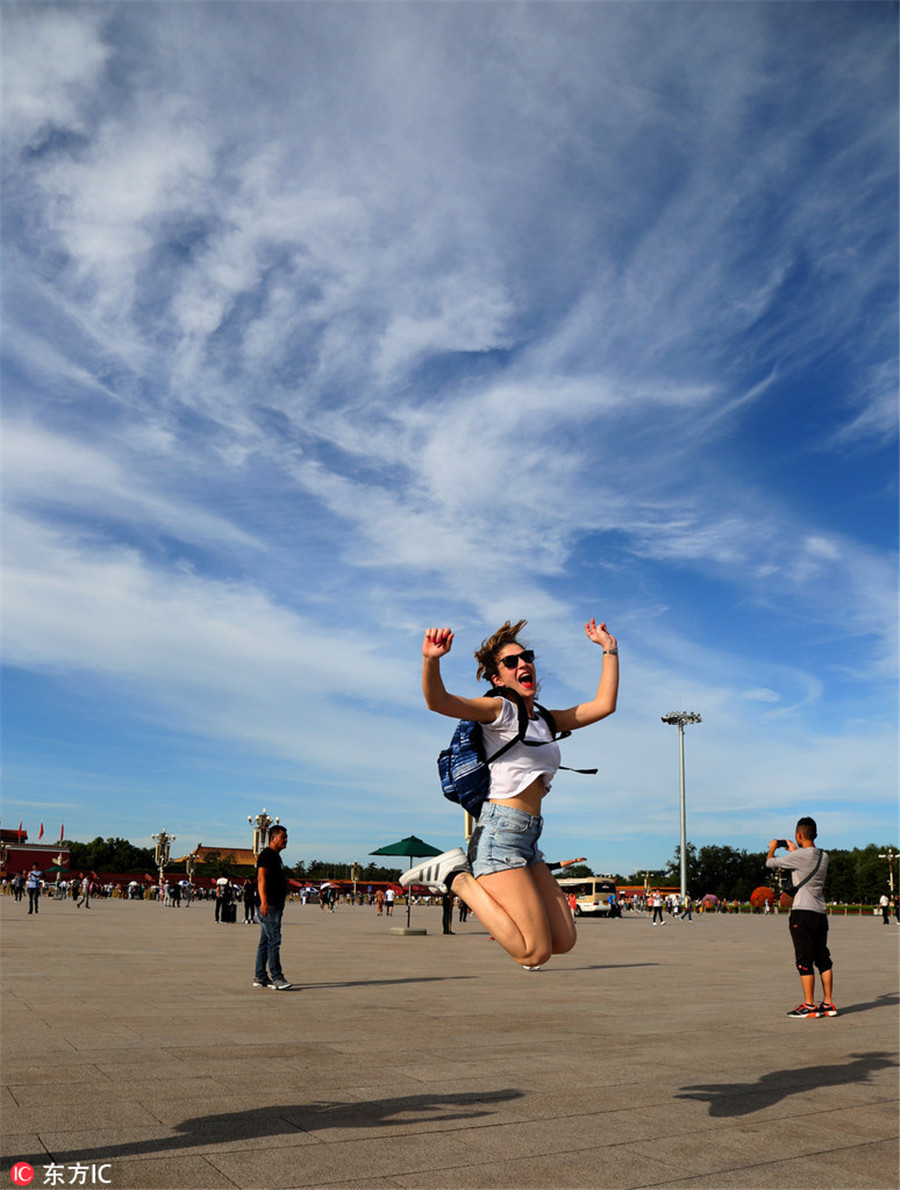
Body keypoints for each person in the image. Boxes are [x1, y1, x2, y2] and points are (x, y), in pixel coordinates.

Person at [401, 617, 618, 969]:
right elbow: (438, 701)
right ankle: (457, 879)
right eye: (511, 661)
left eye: (526, 656)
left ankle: (460, 876)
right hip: (500, 835)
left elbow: (604, 705)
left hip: (529, 838)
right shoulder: (500, 709)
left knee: (563, 941)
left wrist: (609, 649)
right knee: (533, 953)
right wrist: (431, 660)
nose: (523, 663)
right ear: (497, 678)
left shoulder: (545, 720)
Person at [766, 818, 836, 1018]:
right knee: (823, 958)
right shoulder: (824, 856)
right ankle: (828, 1003)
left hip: (802, 912)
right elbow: (806, 860)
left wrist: (772, 848)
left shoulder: (799, 856)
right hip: (820, 912)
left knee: (803, 959)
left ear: (799, 835)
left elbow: (770, 863)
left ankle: (809, 1005)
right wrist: (795, 850)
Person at [254, 825, 292, 990]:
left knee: (265, 941)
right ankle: (277, 977)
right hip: (269, 905)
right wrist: (264, 901)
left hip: (275, 905)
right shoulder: (266, 855)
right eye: (282, 837)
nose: (285, 840)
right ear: (273, 838)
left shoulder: (276, 857)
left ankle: (260, 976)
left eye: (286, 837)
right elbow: (261, 878)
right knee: (274, 941)